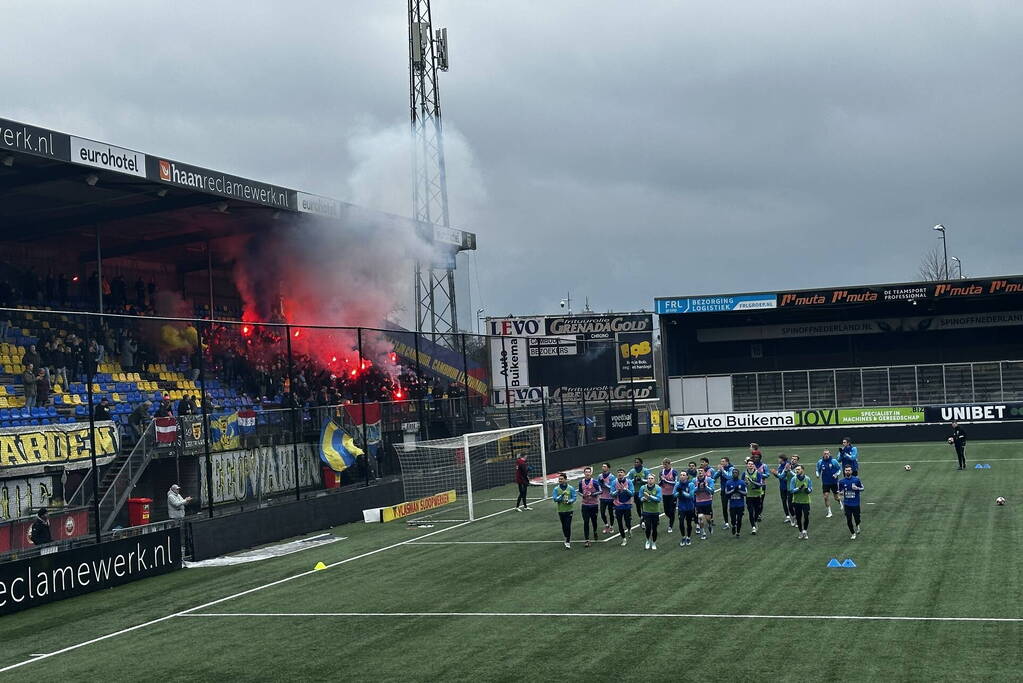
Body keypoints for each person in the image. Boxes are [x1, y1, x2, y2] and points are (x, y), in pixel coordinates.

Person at [837, 465, 864, 539]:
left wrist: (857, 488)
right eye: (846, 470)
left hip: (856, 504)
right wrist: (840, 493)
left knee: (857, 518)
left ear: (851, 471)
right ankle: (853, 533)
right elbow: (839, 491)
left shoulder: (856, 480)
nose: (847, 471)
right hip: (847, 504)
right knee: (848, 519)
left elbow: (862, 488)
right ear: (844, 471)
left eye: (849, 470)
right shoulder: (841, 481)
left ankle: (857, 525)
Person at [552, 473, 577, 549]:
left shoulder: (570, 488)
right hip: (561, 510)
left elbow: (574, 497)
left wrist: (569, 501)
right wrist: (561, 496)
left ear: (565, 479)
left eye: (561, 479)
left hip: (569, 510)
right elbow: (555, 499)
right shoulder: (556, 489)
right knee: (563, 525)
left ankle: (568, 541)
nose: (560, 480)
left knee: (568, 525)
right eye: (559, 479)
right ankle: (566, 537)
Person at [577, 467, 601, 547]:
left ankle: (595, 531)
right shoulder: (581, 482)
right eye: (586, 472)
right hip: (585, 505)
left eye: (588, 472)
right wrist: (582, 495)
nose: (587, 473)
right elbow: (579, 491)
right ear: (584, 473)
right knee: (586, 522)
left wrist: (592, 494)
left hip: (594, 505)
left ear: (591, 473)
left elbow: (600, 491)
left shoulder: (594, 482)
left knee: (594, 521)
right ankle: (587, 540)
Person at [610, 469, 634, 546]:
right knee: (620, 523)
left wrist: (626, 490)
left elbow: (632, 493)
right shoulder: (614, 482)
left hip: (627, 505)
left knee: (627, 521)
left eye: (621, 472)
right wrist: (617, 491)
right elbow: (611, 494)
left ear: (624, 474)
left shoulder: (629, 482)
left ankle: (629, 528)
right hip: (618, 505)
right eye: (618, 472)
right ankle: (623, 539)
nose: (620, 474)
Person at [639, 473, 662, 550]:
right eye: (649, 478)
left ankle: (654, 542)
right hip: (646, 511)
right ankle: (647, 540)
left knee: (654, 528)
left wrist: (649, 496)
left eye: (652, 478)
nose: (650, 479)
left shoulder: (658, 488)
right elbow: (640, 497)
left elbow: (658, 499)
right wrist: (643, 499)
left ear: (654, 480)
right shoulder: (643, 487)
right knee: (648, 527)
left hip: (655, 511)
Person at [816, 450, 842, 518]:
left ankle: (840, 501)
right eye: (825, 454)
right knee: (825, 497)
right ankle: (829, 512)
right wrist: (817, 474)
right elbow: (817, 469)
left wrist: (836, 474)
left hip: (834, 482)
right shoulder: (820, 462)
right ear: (823, 454)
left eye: (827, 453)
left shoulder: (834, 461)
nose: (826, 455)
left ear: (829, 454)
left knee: (836, 497)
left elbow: (839, 469)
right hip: (825, 482)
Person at [673, 470, 696, 547]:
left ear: (687, 476)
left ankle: (688, 537)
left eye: (683, 475)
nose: (682, 476)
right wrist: (678, 493)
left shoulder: (691, 484)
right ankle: (683, 537)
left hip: (689, 507)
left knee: (689, 523)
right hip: (681, 507)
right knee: (681, 522)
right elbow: (674, 494)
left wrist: (681, 492)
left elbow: (691, 495)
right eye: (681, 475)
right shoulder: (677, 484)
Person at [789, 464, 813, 540]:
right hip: (796, 502)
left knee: (806, 516)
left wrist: (807, 490)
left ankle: (805, 531)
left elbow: (811, 489)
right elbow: (791, 490)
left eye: (798, 469)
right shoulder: (793, 479)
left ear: (802, 470)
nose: (797, 471)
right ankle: (800, 531)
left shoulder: (807, 478)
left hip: (805, 501)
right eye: (796, 470)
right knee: (798, 518)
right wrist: (799, 488)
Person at [743, 459, 766, 535]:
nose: (750, 465)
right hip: (749, 495)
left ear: (754, 465)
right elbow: (742, 483)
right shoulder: (744, 473)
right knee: (750, 511)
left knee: (757, 511)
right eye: (749, 464)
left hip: (757, 495)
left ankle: (755, 521)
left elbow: (760, 484)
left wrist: (751, 481)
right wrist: (745, 483)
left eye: (752, 464)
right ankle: (753, 527)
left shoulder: (758, 473)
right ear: (747, 465)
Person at [724, 469, 747, 537]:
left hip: (740, 504)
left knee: (739, 519)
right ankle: (733, 526)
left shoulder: (742, 482)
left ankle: (738, 532)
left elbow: (745, 493)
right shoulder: (728, 482)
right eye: (733, 473)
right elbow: (726, 493)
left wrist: (739, 491)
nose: (734, 474)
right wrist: (733, 490)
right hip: (732, 505)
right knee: (733, 519)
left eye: (736, 473)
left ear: (738, 474)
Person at [693, 469, 715, 539]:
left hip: (707, 501)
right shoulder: (694, 480)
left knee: (708, 518)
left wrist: (706, 487)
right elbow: (692, 491)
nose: (700, 472)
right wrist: (698, 487)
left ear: (704, 473)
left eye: (701, 471)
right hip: (698, 502)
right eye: (698, 471)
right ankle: (703, 533)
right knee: (700, 517)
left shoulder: (709, 480)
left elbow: (712, 491)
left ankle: (709, 525)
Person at [773, 453, 794, 526]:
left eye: (779, 458)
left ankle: (793, 516)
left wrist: (777, 474)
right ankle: (787, 516)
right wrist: (775, 474)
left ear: (782, 459)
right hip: (782, 487)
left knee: (790, 503)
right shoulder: (780, 466)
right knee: (784, 501)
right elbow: (779, 476)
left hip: (788, 487)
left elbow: (784, 477)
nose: (778, 460)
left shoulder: (787, 465)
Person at [658, 457, 678, 533]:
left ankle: (670, 526)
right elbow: (659, 483)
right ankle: (672, 518)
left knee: (672, 510)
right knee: (666, 511)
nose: (664, 466)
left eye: (666, 464)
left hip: (672, 494)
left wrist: (666, 480)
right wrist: (661, 481)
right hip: (665, 494)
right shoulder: (661, 472)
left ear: (669, 464)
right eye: (663, 464)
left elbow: (675, 483)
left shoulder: (674, 472)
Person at [628, 458, 651, 525]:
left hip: (644, 492)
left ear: (641, 463)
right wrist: (634, 480)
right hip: (636, 492)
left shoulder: (646, 471)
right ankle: (641, 517)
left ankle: (644, 519)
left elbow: (649, 480)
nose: (635, 463)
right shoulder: (632, 471)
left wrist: (642, 480)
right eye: (635, 462)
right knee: (638, 506)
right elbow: (628, 482)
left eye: (637, 462)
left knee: (644, 506)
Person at [714, 457, 735, 529]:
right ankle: (726, 523)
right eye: (721, 462)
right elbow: (714, 477)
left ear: (727, 462)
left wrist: (722, 470)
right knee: (724, 507)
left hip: (731, 490)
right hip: (723, 490)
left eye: (723, 461)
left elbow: (729, 477)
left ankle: (733, 521)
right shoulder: (721, 469)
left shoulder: (731, 468)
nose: (721, 463)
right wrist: (718, 471)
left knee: (732, 507)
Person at [597, 462, 615, 534]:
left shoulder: (611, 477)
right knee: (602, 512)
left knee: (611, 513)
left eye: (604, 466)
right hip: (602, 497)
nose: (603, 468)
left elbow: (612, 487)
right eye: (602, 466)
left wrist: (604, 484)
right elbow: (598, 485)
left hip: (610, 498)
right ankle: (606, 524)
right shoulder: (600, 476)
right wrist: (600, 486)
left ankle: (611, 526)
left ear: (608, 468)